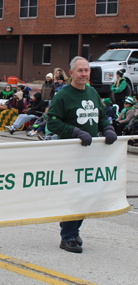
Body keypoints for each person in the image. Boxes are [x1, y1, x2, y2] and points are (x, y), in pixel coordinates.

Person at [47, 56, 117, 254]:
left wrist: (108, 128)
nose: (84, 74)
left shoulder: (93, 92)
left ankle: (72, 228)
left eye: (87, 70)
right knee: (77, 195)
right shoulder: (63, 96)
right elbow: (52, 122)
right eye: (80, 71)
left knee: (88, 195)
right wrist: (75, 132)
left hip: (91, 154)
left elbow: (102, 116)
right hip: (71, 154)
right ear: (71, 73)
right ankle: (67, 237)